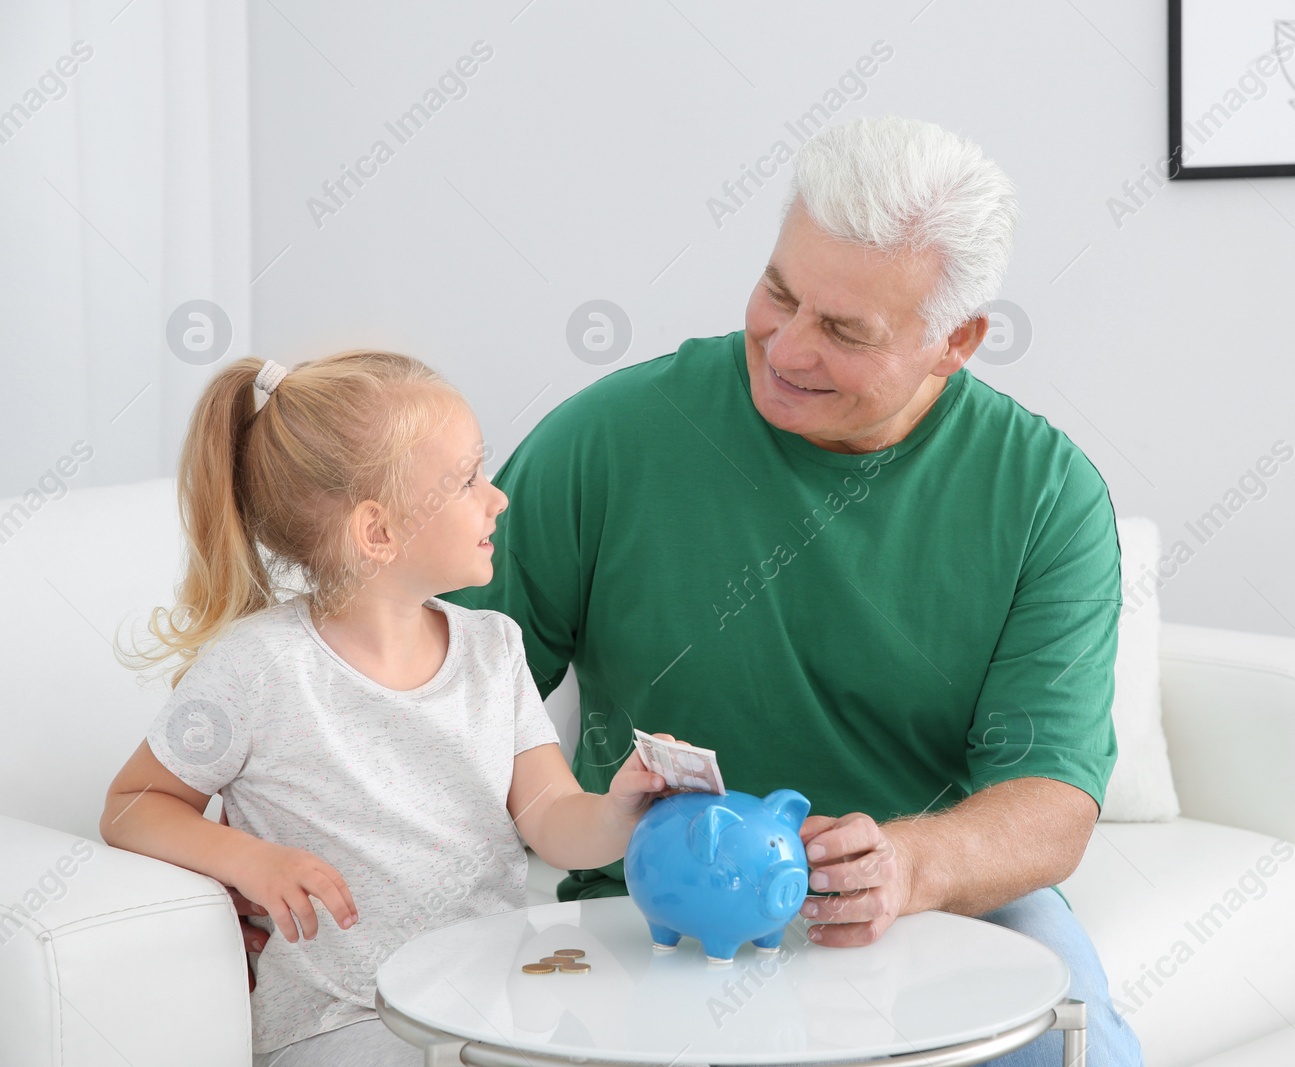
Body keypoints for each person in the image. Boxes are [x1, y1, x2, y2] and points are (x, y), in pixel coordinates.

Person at [443, 116, 1144, 1063]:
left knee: (1078, 1038)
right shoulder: (607, 440)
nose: (787, 348)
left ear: (956, 341)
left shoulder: (1045, 495)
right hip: (659, 902)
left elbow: (1050, 798)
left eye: (846, 332)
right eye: (779, 293)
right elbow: (435, 689)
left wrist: (908, 864)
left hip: (936, 905)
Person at [100, 351, 680, 1065]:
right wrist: (250, 859)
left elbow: (554, 822)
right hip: (342, 1023)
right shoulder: (258, 668)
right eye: (467, 480)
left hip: (496, 1005)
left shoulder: (493, 650)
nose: (496, 498)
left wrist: (622, 809)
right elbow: (133, 803)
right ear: (376, 532)